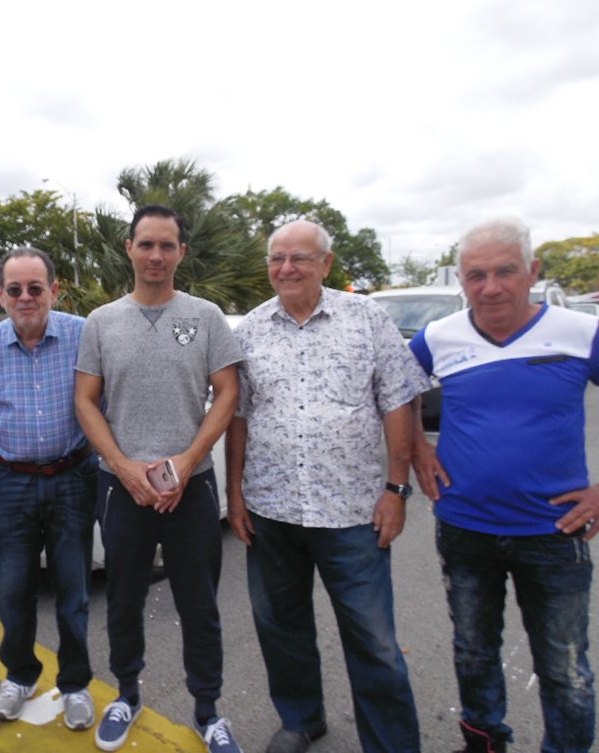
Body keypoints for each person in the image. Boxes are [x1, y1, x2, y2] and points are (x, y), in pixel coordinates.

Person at [225, 219, 428, 753]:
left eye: (300, 257)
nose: (287, 268)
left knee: (374, 640)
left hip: (353, 513)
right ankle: (301, 720)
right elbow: (239, 416)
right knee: (280, 627)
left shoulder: (366, 319)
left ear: (327, 263)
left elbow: (398, 402)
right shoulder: (251, 329)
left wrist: (397, 489)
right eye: (277, 258)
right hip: (271, 508)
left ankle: (391, 744)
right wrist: (235, 494)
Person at [410, 217, 598, 753]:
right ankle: (484, 743)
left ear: (533, 271)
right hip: (465, 528)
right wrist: (418, 448)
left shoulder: (581, 333)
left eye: (505, 272)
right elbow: (397, 391)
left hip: (554, 533)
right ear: (462, 281)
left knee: (564, 667)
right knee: (473, 653)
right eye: (476, 275)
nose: (490, 287)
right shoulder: (438, 337)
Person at [75, 204, 244, 753]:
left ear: (181, 253)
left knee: (200, 605)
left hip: (191, 487)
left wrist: (188, 461)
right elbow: (86, 401)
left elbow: (228, 392)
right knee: (123, 599)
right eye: (146, 244)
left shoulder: (205, 316)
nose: (156, 255)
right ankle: (126, 694)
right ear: (129, 248)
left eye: (166, 245)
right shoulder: (101, 322)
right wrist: (124, 467)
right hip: (121, 487)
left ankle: (208, 711)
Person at [0, 247, 98, 731]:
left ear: (54, 290)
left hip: (73, 478)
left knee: (73, 590)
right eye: (15, 289)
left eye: (35, 288)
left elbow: (104, 403)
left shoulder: (84, 336)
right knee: (13, 591)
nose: (26, 297)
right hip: (10, 483)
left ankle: (76, 683)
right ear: (1, 295)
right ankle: (19, 675)